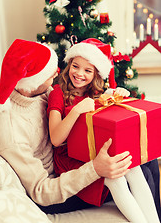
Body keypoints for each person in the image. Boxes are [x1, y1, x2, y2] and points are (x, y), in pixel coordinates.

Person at [0, 39, 133, 214]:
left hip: (73, 161)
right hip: (54, 191)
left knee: (145, 166)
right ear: (35, 80)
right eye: (50, 74)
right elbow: (41, 191)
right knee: (130, 175)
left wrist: (110, 94)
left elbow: (79, 99)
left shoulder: (38, 91)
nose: (57, 74)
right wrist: (95, 169)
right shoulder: (11, 132)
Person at [47, 38, 160, 222]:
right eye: (76, 66)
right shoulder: (57, 93)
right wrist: (77, 110)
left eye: (88, 70)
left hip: (94, 154)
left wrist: (119, 96)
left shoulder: (96, 93)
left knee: (132, 168)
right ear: (69, 65)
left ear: (96, 74)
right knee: (115, 179)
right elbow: (55, 139)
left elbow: (110, 123)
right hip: (70, 160)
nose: (79, 74)